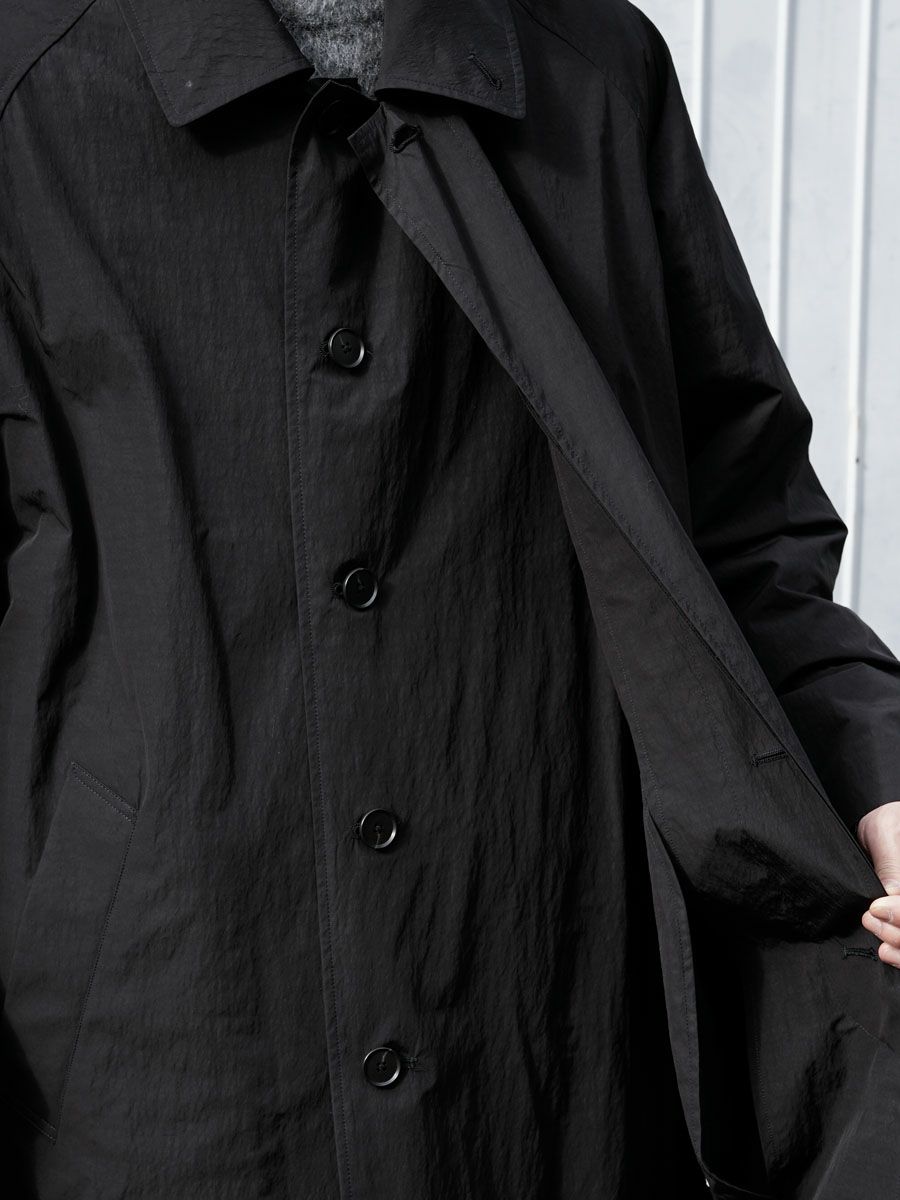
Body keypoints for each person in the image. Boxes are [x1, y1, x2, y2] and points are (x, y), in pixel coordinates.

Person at [2, 1, 899, 1197]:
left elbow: (740, 536)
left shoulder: (593, 73)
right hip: (169, 1041)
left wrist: (882, 775)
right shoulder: (30, 85)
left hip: (543, 1023)